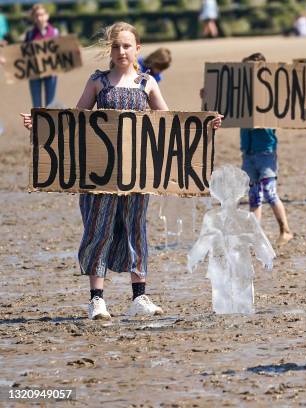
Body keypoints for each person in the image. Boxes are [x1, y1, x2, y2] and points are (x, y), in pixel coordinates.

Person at [21, 22, 223, 320]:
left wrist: (206, 125)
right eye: (116, 46)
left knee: (136, 230)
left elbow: (169, 125)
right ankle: (97, 300)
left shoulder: (147, 83)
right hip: (100, 175)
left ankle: (139, 296)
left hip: (138, 176)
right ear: (110, 50)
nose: (121, 51)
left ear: (137, 49)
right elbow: (73, 122)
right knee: (98, 231)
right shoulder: (98, 82)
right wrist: (40, 125)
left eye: (127, 46)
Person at [239, 53, 306, 245]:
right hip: (247, 153)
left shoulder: (271, 97)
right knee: (254, 196)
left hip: (266, 151)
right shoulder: (242, 96)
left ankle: (285, 230)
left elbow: (292, 113)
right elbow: (223, 109)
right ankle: (255, 234)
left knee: (270, 193)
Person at [25, 3, 60, 108]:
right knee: (37, 106)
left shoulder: (55, 32)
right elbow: (22, 54)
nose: (40, 18)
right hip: (34, 73)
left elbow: (62, 51)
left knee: (50, 105)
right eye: (37, 15)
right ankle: (38, 124)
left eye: (42, 14)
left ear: (47, 15)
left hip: (51, 73)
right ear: (34, 17)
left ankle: (48, 125)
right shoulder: (30, 34)